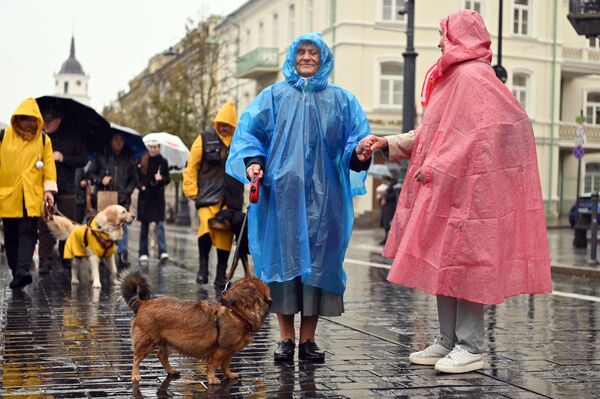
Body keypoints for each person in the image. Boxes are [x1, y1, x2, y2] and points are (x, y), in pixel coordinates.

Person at [360, 10, 552, 373]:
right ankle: (447, 340)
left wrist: (437, 165)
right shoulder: (453, 79)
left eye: (442, 34)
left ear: (458, 36)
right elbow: (433, 133)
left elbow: (483, 133)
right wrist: (388, 142)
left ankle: (470, 345)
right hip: (449, 192)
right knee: (445, 265)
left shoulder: (475, 78)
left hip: (471, 195)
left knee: (466, 267)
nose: (437, 42)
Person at [226, 33, 371, 363]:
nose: (307, 57)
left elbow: (356, 142)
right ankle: (285, 339)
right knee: (282, 267)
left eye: (313, 53)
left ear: (324, 59)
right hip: (282, 200)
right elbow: (250, 134)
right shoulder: (273, 96)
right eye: (301, 52)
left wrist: (361, 154)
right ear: (292, 57)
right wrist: (254, 164)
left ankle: (308, 341)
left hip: (326, 202)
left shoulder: (343, 100)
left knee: (317, 269)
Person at [183, 100, 243, 288]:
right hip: (208, 195)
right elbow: (192, 166)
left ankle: (220, 274)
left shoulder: (240, 142)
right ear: (217, 123)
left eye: (228, 125)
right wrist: (191, 189)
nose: (224, 128)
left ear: (233, 125)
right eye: (221, 124)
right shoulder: (204, 138)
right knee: (206, 228)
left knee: (225, 234)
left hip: (231, 197)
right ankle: (202, 268)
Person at [0, 98, 57, 288]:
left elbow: (49, 165)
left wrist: (49, 190)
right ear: (18, 119)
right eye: (27, 119)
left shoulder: (43, 139)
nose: (31, 124)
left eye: (34, 120)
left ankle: (23, 270)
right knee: (10, 235)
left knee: (29, 232)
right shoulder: (4, 136)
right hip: (9, 195)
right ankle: (16, 270)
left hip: (32, 195)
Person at [37, 109, 87, 273]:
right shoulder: (39, 136)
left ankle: (66, 256)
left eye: (49, 122)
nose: (45, 125)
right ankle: (45, 261)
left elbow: (82, 159)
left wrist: (63, 157)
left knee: (67, 224)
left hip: (66, 187)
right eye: (44, 121)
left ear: (58, 120)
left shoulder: (72, 137)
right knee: (45, 224)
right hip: (44, 188)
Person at [87, 131, 138, 269]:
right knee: (104, 226)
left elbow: (134, 179)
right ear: (111, 140)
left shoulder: (129, 158)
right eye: (116, 139)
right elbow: (90, 174)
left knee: (123, 226)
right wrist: (100, 179)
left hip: (122, 198)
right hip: (105, 197)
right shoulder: (101, 155)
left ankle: (122, 255)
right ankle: (102, 253)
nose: (118, 142)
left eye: (121, 140)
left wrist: (127, 191)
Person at [137, 141, 170, 262]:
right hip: (145, 198)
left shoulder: (163, 162)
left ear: (159, 148)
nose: (153, 149)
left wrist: (161, 179)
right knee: (144, 225)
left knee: (160, 225)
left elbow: (168, 179)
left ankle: (163, 251)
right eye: (151, 147)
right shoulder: (142, 160)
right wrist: (141, 187)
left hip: (158, 198)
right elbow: (136, 177)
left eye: (155, 147)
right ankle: (143, 252)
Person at [376, 175, 398, 245]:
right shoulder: (390, 185)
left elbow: (394, 195)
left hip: (390, 207)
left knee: (388, 223)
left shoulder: (394, 184)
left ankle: (387, 239)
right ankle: (386, 238)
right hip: (386, 207)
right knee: (386, 224)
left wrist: (386, 197)